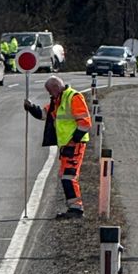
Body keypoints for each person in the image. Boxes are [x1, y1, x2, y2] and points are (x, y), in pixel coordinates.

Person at [25, 75, 91, 219]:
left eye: (50, 91)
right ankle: (74, 207)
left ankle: (76, 209)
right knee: (65, 176)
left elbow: (85, 123)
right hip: (67, 145)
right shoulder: (58, 100)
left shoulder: (73, 97)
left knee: (69, 176)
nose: (49, 94)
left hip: (75, 145)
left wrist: (73, 141)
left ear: (56, 87)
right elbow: (44, 115)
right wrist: (31, 108)